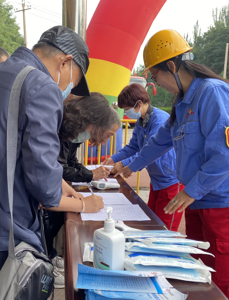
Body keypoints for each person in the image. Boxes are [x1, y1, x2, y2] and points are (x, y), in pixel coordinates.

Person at [0, 26, 103, 299]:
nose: (67, 88)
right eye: (73, 80)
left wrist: (58, 179)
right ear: (65, 62)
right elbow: (46, 192)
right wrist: (85, 204)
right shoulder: (41, 86)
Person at [115, 29, 229, 300]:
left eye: (156, 77)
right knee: (199, 272)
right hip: (197, 199)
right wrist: (131, 167)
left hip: (227, 202)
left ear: (172, 65)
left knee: (224, 278)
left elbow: (227, 155)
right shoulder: (183, 102)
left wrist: (190, 191)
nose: (156, 87)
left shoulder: (214, 94)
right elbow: (160, 140)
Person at [45, 92, 121, 283]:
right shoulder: (57, 129)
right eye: (108, 135)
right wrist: (85, 205)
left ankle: (49, 255)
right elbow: (48, 185)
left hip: (50, 191)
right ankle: (45, 261)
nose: (105, 141)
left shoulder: (73, 133)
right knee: (50, 220)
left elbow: (61, 166)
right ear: (95, 122)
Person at [103, 84, 183, 231]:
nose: (126, 113)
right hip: (157, 181)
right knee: (151, 222)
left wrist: (125, 165)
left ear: (138, 104)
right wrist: (113, 159)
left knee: (164, 229)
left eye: (127, 109)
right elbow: (133, 146)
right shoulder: (142, 121)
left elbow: (148, 151)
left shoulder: (159, 120)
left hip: (171, 181)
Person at [58, 92, 120, 183]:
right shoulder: (63, 128)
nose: (106, 140)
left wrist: (90, 173)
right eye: (108, 135)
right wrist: (91, 174)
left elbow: (70, 160)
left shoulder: (75, 130)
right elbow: (59, 168)